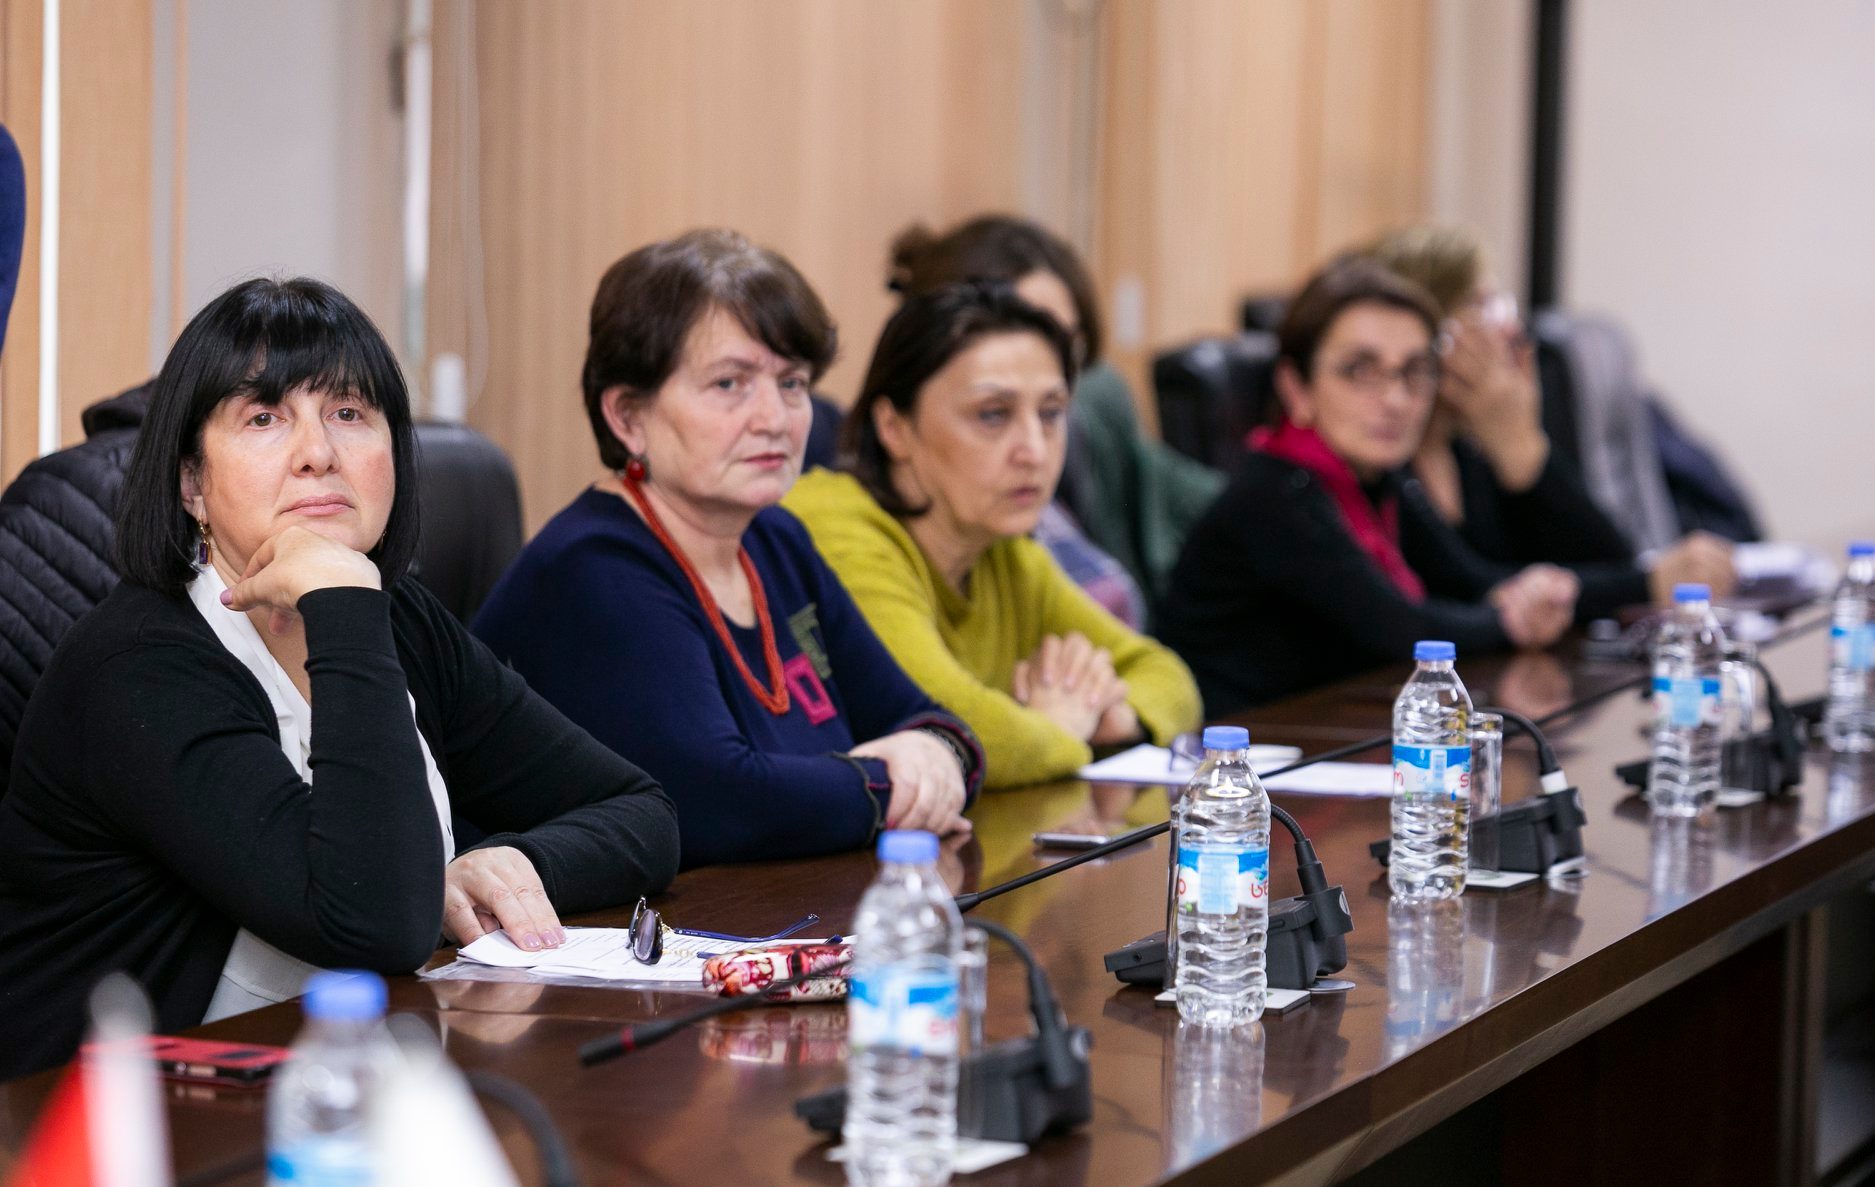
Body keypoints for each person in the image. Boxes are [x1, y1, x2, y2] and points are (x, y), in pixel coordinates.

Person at [0, 278, 680, 1079]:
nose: (318, 452)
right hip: (106, 1113)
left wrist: (504, 866)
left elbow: (643, 813)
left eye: (350, 412)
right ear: (191, 484)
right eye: (263, 418)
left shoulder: (400, 617)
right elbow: (374, 924)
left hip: (332, 1072)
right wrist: (344, 608)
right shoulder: (139, 667)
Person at [474, 230, 982, 870]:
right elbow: (717, 804)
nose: (775, 418)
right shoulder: (593, 567)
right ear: (628, 417)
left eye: (792, 383)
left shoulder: (776, 540)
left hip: (784, 910)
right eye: (729, 384)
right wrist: (893, 782)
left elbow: (936, 724)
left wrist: (939, 756)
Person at [784, 281, 1202, 788]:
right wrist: (1060, 728)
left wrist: (1110, 713)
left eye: (1051, 413)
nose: (1035, 451)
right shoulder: (834, 530)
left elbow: (1169, 679)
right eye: (993, 415)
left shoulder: (1001, 546)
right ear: (894, 427)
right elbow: (952, 728)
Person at [1159, 258, 1580, 713]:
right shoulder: (1273, 496)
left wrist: (1555, 590)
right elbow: (1402, 630)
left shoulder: (1379, 480)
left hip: (1329, 731)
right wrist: (1512, 618)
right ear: (1297, 388)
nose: (1396, 399)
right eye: (1361, 370)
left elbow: (1470, 581)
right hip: (1236, 750)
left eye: (1414, 371)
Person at [1367, 225, 1736, 614]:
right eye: (1482, 308)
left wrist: (1523, 449)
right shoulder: (1383, 460)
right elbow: (1477, 594)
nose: (1511, 330)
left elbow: (1603, 561)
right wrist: (1645, 583)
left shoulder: (1468, 450)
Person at [887, 215, 1224, 620]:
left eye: (1065, 340)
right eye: (992, 415)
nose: (1034, 450)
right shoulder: (891, 536)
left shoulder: (1092, 409)